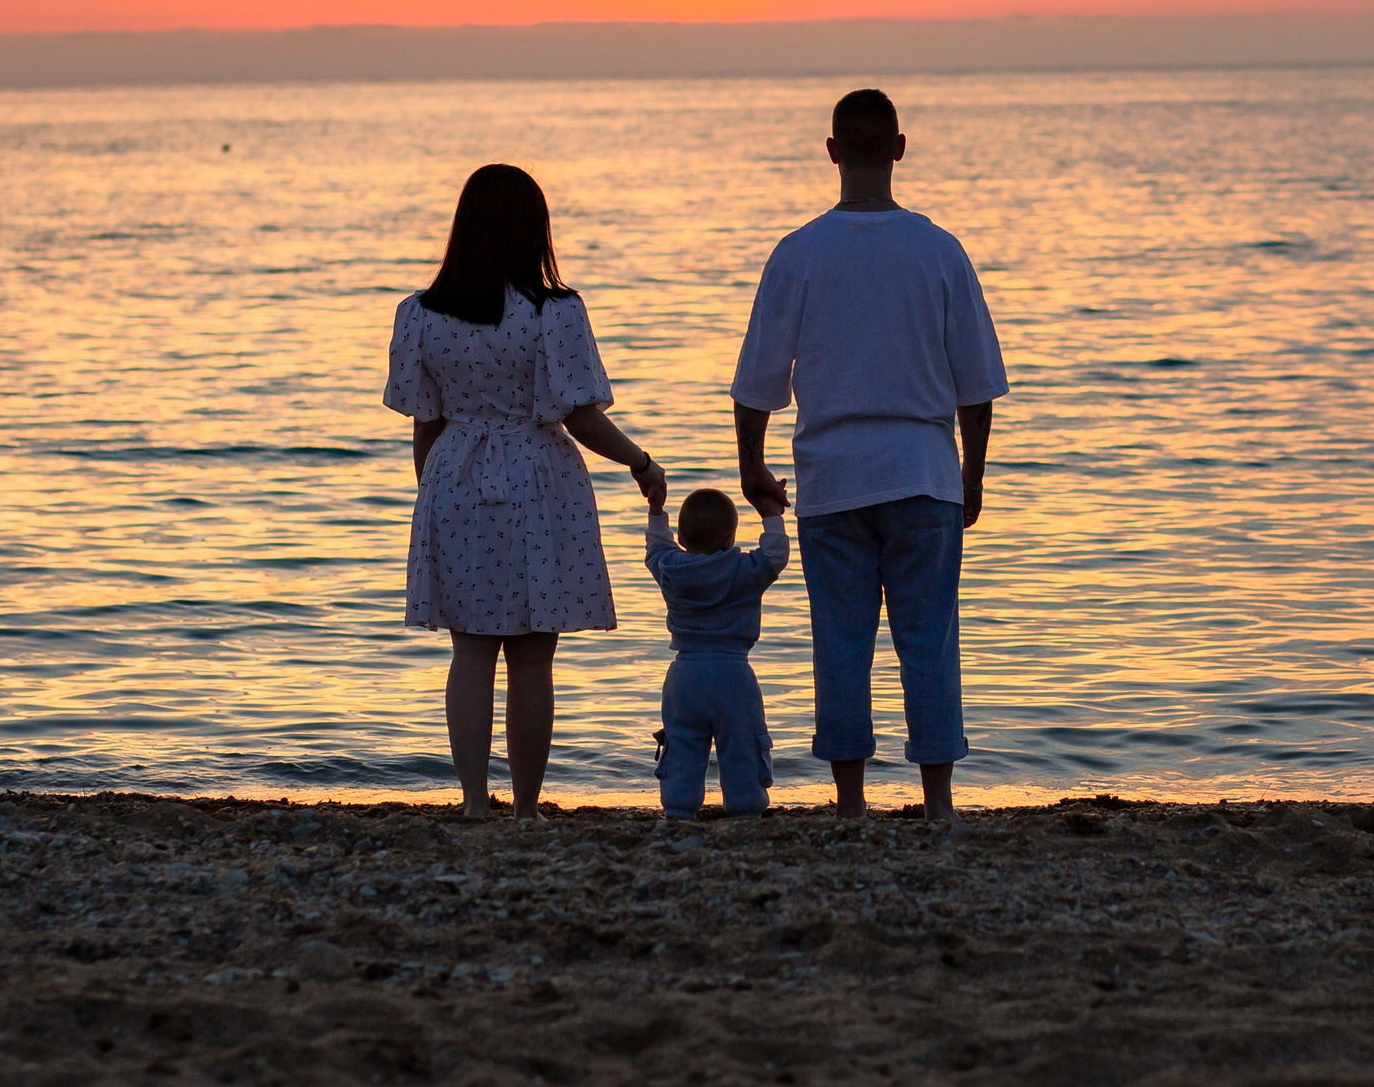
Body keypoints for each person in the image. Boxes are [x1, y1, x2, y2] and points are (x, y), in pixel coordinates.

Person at [730, 89, 1008, 824]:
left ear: (830, 152)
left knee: (842, 640)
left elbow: (758, 377)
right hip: (923, 470)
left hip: (835, 475)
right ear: (900, 148)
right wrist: (971, 474)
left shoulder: (799, 253)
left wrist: (751, 464)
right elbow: (977, 385)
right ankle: (938, 801)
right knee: (929, 639)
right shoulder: (939, 250)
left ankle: (851, 802)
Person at [384, 164, 665, 820]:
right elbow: (576, 413)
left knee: (471, 652)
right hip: (540, 480)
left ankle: (476, 803)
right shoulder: (554, 312)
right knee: (533, 659)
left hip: (453, 478)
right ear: (533, 230)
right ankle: (528, 805)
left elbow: (425, 420)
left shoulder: (420, 315)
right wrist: (641, 461)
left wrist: (432, 493)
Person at [643, 484, 791, 819]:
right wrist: (771, 513)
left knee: (682, 744)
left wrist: (656, 511)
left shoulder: (671, 570)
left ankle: (679, 810)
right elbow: (775, 554)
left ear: (681, 538)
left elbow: (655, 548)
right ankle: (745, 809)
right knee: (742, 745)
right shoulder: (744, 570)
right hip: (733, 674)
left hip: (685, 675)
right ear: (729, 540)